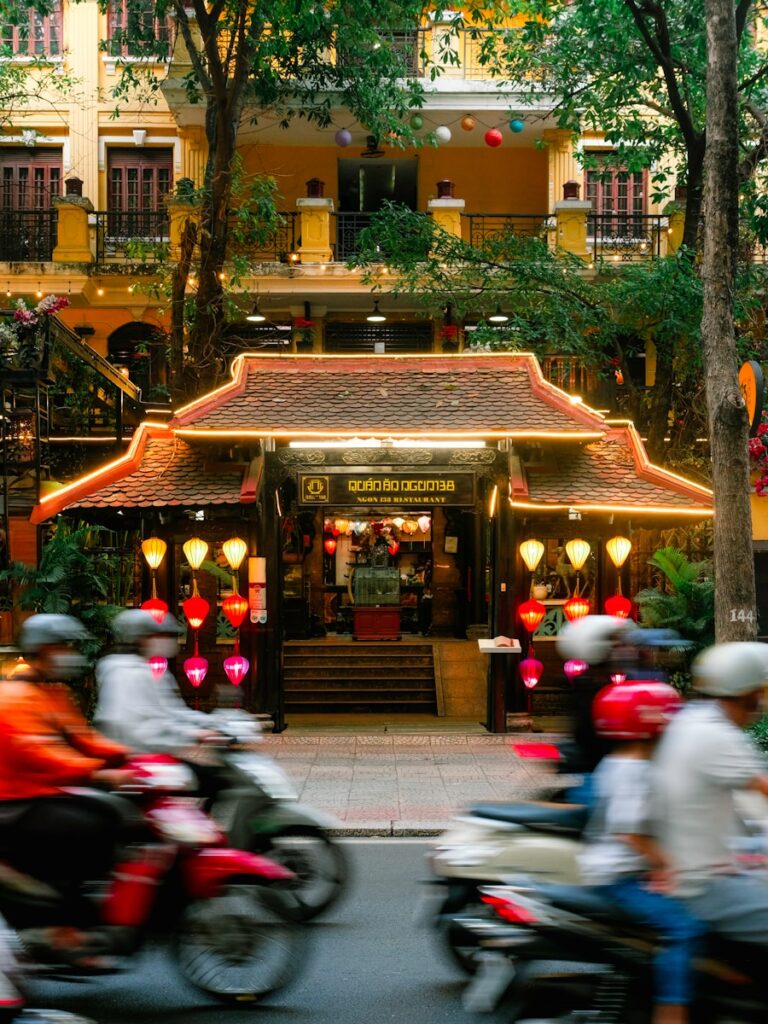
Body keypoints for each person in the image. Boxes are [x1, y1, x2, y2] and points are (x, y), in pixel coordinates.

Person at [579, 681, 705, 1024]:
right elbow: (630, 832)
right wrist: (667, 864)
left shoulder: (615, 761)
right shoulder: (634, 771)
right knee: (684, 928)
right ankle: (671, 1010)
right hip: (619, 877)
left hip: (620, 869)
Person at [0, 614, 131, 920]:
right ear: (43, 650)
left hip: (45, 791)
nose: (71, 654)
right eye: (64, 646)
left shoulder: (54, 692)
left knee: (111, 814)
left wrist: (129, 757)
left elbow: (83, 738)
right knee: (91, 827)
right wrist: (96, 771)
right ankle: (60, 916)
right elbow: (41, 753)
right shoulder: (17, 696)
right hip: (16, 803)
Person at [653, 641, 768, 948]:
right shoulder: (719, 735)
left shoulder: (692, 719)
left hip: (693, 865)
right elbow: (763, 787)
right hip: (703, 883)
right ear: (750, 695)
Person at [94, 609, 221, 753]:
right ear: (141, 639)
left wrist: (213, 723)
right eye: (161, 636)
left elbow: (172, 711)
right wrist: (189, 735)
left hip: (157, 753)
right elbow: (133, 726)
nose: (168, 641)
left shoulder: (154, 670)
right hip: (133, 757)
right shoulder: (123, 671)